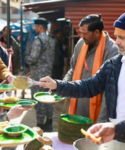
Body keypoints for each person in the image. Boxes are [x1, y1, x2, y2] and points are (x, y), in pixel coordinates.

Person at [39, 13, 125, 143]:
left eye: (122, 38)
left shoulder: (111, 49)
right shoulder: (115, 64)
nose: (117, 41)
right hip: (114, 135)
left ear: (96, 32)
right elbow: (89, 86)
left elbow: (105, 99)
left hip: (114, 129)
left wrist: (114, 127)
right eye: (116, 36)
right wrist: (57, 85)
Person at [63, 14, 118, 123]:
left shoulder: (112, 50)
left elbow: (110, 92)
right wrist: (62, 86)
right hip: (78, 103)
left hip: (98, 109)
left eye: (84, 33)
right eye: (81, 32)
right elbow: (73, 69)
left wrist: (101, 121)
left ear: (96, 32)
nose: (81, 36)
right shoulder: (81, 43)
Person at [25, 18, 55, 132]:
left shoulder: (38, 39)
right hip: (48, 74)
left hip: (38, 75)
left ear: (40, 27)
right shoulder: (51, 39)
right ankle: (49, 122)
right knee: (48, 98)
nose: (35, 28)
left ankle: (40, 125)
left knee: (38, 98)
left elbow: (33, 58)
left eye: (36, 26)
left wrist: (27, 59)